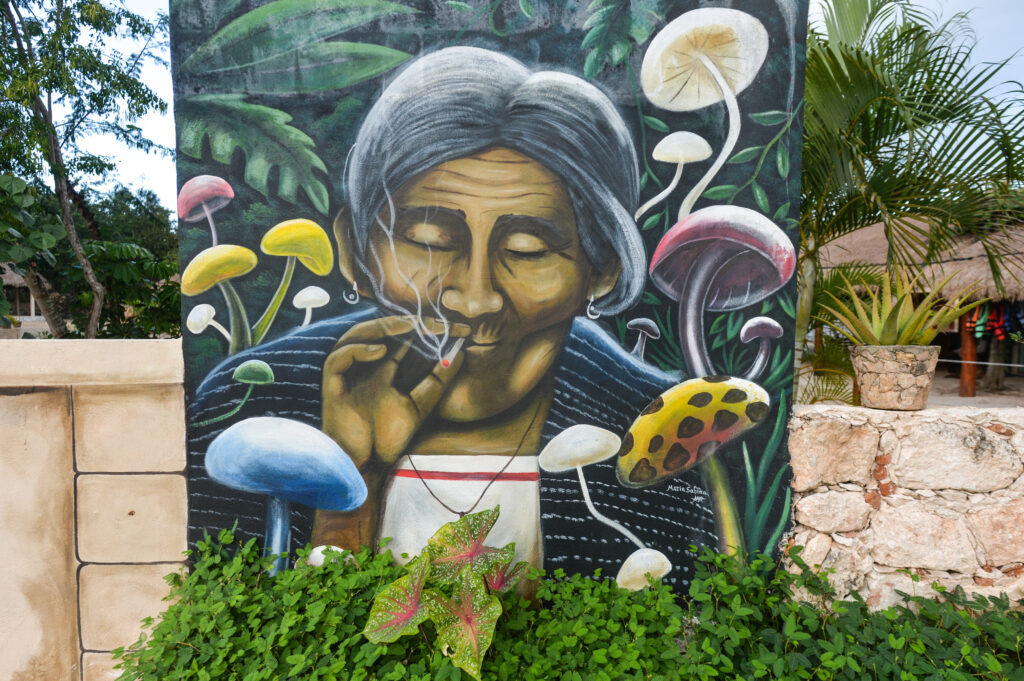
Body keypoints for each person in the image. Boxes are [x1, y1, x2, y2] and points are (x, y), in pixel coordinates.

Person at [188, 47, 717, 585]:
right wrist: (352, 486)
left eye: (529, 249)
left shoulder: (659, 431)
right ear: (355, 252)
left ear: (600, 268)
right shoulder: (249, 404)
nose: (474, 298)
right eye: (428, 241)